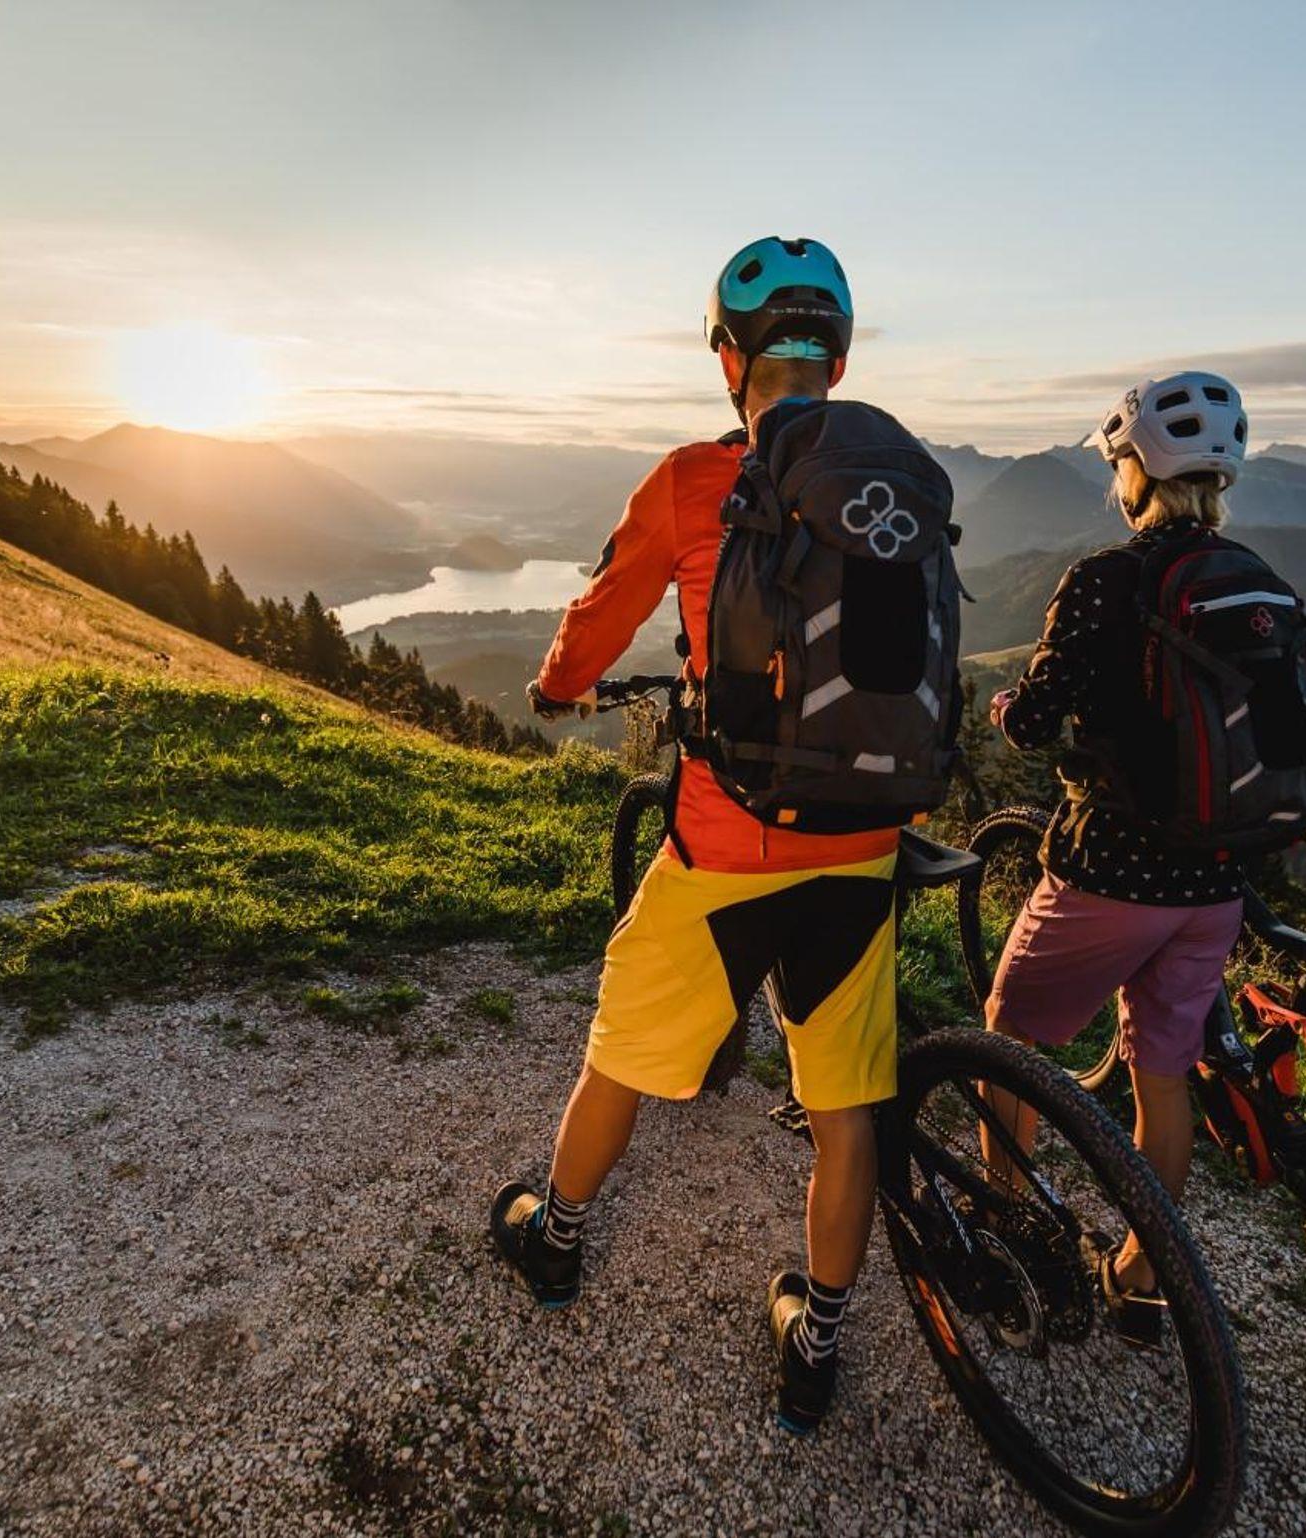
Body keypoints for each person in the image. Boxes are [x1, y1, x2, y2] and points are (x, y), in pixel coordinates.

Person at [490, 237, 902, 1434]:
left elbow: (599, 614)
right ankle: (815, 1341)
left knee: (619, 1048)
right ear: (837, 361)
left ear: (730, 361)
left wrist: (557, 685)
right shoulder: (896, 477)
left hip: (726, 847)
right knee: (842, 1106)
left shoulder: (689, 481)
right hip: (864, 841)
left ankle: (555, 1237)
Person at [984, 372, 1255, 1342]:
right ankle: (1141, 1277)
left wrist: (1008, 710)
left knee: (1006, 1037)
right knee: (1161, 1077)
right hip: (1215, 883)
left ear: (1138, 471)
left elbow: (1038, 719)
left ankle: (1010, 1226)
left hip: (1113, 873)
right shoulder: (1252, 582)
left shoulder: (1104, 579)